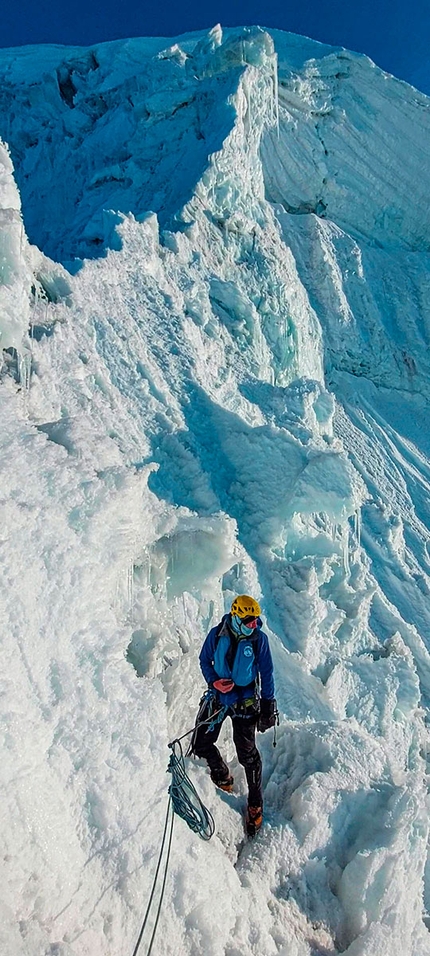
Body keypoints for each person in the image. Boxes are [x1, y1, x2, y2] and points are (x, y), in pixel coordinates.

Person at [191, 595, 277, 836]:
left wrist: (268, 704)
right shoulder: (217, 634)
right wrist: (214, 682)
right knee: (200, 743)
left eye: (255, 620)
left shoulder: (259, 640)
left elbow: (267, 672)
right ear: (237, 616)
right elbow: (204, 660)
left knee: (248, 755)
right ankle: (221, 774)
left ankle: (255, 803)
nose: (254, 624)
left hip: (246, 703)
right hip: (218, 698)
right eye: (249, 620)